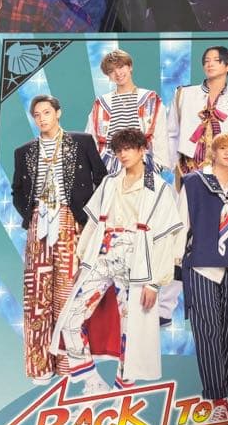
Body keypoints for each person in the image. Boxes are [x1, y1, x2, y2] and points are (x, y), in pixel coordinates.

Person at [50, 128, 182, 394]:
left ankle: (124, 386)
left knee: (131, 327)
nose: (123, 154)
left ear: (142, 150)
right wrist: (83, 261)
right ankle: (91, 379)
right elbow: (93, 225)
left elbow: (165, 240)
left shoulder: (158, 187)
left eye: (128, 149)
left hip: (137, 257)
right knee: (71, 318)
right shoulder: (110, 183)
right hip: (104, 253)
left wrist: (154, 283)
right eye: (119, 150)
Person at [11, 95, 107, 384]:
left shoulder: (82, 142)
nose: (42, 118)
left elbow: (103, 180)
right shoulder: (24, 151)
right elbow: (17, 190)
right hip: (38, 222)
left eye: (46, 112)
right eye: (37, 114)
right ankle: (40, 366)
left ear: (58, 112)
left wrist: (89, 217)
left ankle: (69, 365)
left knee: (68, 293)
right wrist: (30, 214)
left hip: (70, 220)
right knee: (36, 297)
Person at [177, 133, 228, 422]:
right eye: (223, 148)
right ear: (214, 151)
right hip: (202, 264)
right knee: (207, 330)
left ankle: (225, 395)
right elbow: (181, 223)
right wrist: (175, 262)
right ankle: (216, 400)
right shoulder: (193, 183)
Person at [167, 46, 228, 176]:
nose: (210, 64)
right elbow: (171, 133)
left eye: (216, 60)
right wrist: (174, 164)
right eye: (206, 61)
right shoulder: (184, 94)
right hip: (188, 168)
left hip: (227, 171)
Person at [86, 49, 168, 172]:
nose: (117, 73)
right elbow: (91, 139)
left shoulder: (149, 99)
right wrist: (96, 169)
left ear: (130, 67)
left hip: (143, 165)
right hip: (108, 167)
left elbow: (161, 135)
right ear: (108, 76)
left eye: (120, 67)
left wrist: (156, 166)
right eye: (111, 71)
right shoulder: (101, 103)